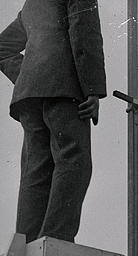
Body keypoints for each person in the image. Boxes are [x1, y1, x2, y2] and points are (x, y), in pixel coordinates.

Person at [0, 0, 106, 243]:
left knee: (35, 171)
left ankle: (26, 244)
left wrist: (30, 78)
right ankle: (57, 239)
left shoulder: (31, 4)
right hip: (64, 90)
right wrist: (92, 89)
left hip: (29, 97)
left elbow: (2, 47)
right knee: (73, 160)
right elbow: (84, 33)